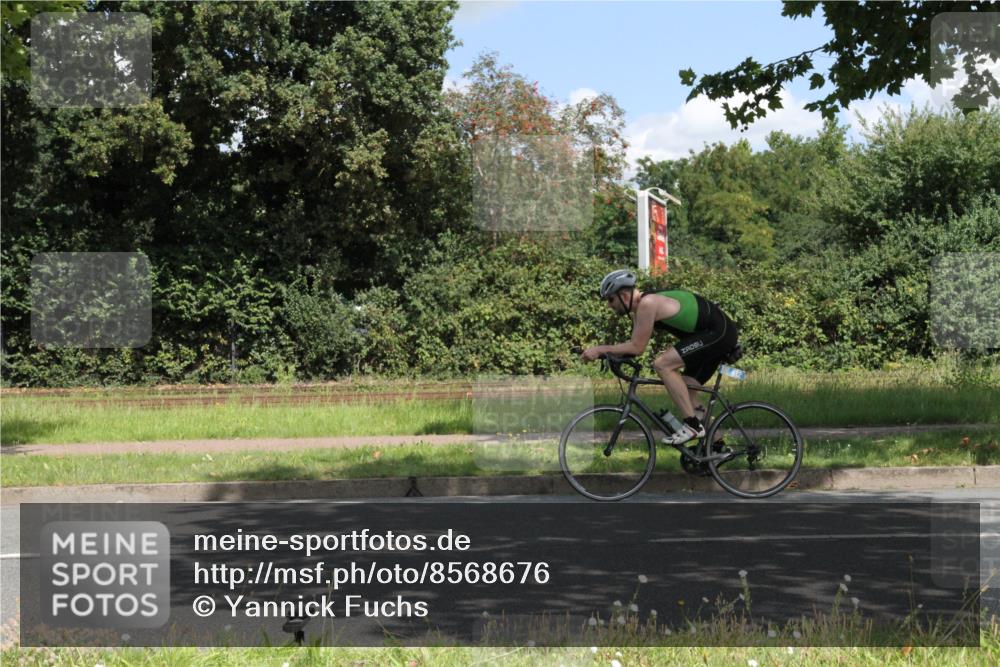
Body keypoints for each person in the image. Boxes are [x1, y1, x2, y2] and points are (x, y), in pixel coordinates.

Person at [580, 269, 739, 445]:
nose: (609, 305)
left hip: (718, 333)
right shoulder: (642, 308)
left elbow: (637, 347)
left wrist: (600, 350)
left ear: (624, 295)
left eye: (611, 299)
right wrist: (606, 355)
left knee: (663, 364)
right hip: (714, 333)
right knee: (686, 391)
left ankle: (692, 426)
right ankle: (718, 448)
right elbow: (634, 346)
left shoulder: (647, 303)